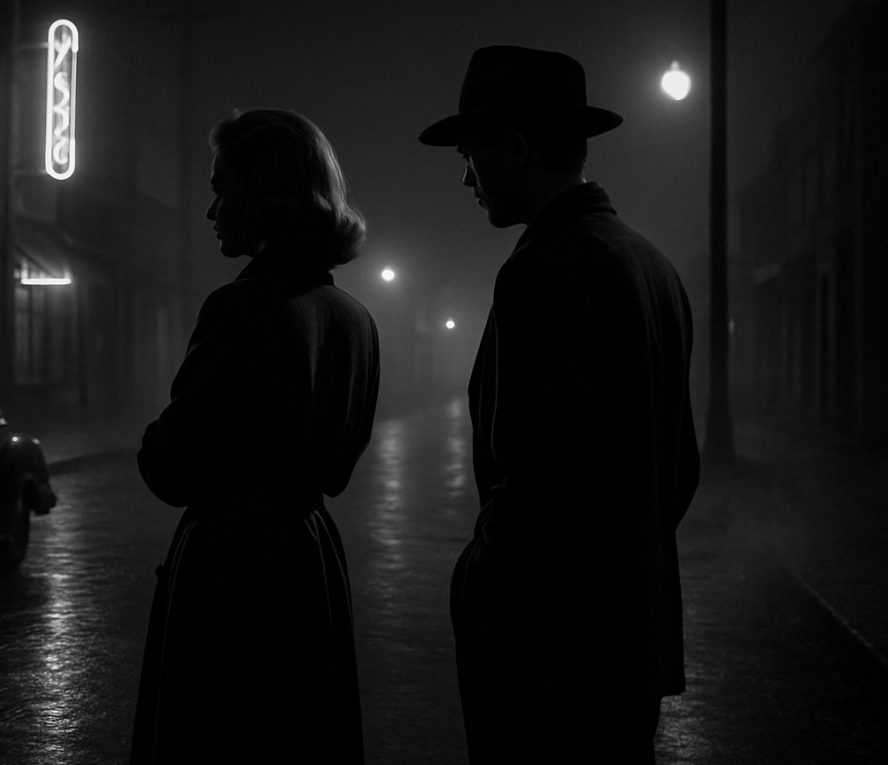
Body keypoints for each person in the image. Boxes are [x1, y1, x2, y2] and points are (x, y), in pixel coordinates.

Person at [418, 46, 701, 763]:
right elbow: (681, 470)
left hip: (547, 654)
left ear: (513, 148)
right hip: (629, 643)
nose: (465, 176)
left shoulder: (546, 269)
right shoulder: (652, 264)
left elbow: (533, 484)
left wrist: (479, 584)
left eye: (471, 152)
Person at [131, 108, 379, 764]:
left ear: (264, 195)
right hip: (310, 560)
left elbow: (170, 466)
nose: (212, 211)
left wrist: (157, 435)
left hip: (230, 570)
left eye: (221, 188)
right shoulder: (354, 319)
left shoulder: (242, 310)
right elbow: (338, 467)